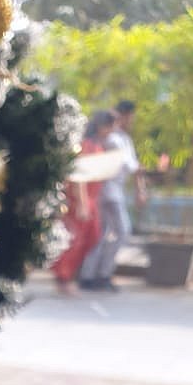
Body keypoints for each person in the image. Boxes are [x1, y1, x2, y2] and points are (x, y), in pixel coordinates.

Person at [79, 99, 147, 291]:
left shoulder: (124, 138)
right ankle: (96, 274)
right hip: (105, 192)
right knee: (119, 232)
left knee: (106, 235)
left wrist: (140, 189)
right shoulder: (108, 137)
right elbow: (129, 165)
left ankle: (96, 274)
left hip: (116, 191)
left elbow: (133, 166)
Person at [52, 109, 116, 295]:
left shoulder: (97, 145)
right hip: (81, 200)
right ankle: (62, 276)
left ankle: (67, 275)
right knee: (76, 239)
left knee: (92, 236)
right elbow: (79, 175)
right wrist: (81, 202)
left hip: (91, 200)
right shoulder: (85, 145)